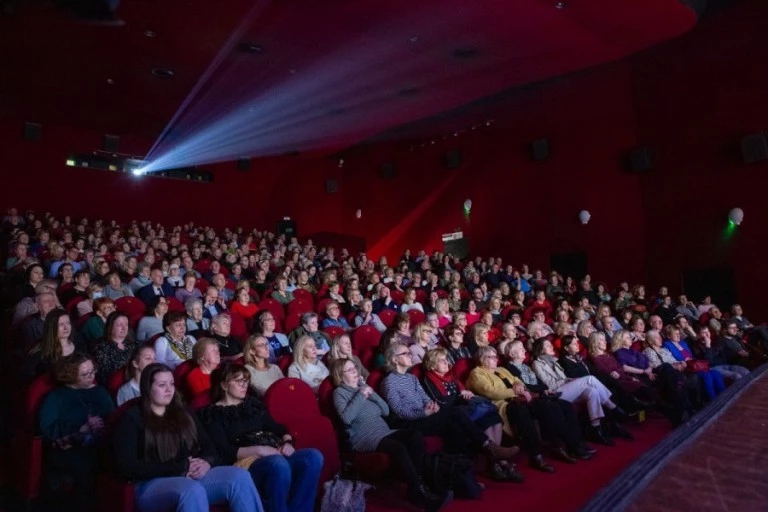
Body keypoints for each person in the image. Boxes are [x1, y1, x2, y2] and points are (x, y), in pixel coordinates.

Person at [113, 363, 262, 512]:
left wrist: (206, 463)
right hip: (152, 483)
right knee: (191, 490)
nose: (169, 389)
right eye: (162, 385)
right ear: (147, 388)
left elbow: (207, 445)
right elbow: (127, 466)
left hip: (190, 476)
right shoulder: (132, 419)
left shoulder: (183, 411)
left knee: (240, 477)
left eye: (171, 384)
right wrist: (180, 468)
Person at [330, 359, 453, 512]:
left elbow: (385, 410)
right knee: (398, 448)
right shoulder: (339, 393)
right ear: (340, 375)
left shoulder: (364, 388)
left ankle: (417, 487)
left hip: (383, 431)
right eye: (350, 370)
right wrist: (361, 395)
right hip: (363, 437)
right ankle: (421, 494)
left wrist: (370, 391)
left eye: (354, 368)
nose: (355, 371)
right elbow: (346, 418)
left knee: (414, 436)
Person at [198, 364, 322, 512]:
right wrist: (260, 450)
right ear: (224, 385)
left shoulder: (252, 405)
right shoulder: (212, 414)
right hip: (246, 463)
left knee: (313, 456)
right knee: (278, 464)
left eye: (246, 381)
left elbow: (279, 429)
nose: (244, 385)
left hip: (274, 452)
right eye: (239, 381)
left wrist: (287, 442)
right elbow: (224, 452)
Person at [380, 343, 517, 462]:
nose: (410, 355)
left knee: (456, 427)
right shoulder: (389, 382)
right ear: (394, 359)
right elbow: (399, 411)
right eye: (406, 353)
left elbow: (425, 398)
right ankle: (488, 447)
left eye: (410, 353)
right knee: (456, 414)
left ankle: (469, 465)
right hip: (410, 423)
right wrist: (424, 412)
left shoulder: (411, 378)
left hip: (426, 416)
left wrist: (431, 406)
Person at [421, 348, 524, 482]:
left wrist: (466, 394)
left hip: (462, 409)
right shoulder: (428, 380)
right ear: (432, 364)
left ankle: (494, 461)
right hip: (450, 414)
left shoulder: (451, 376)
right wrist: (461, 395)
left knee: (492, 416)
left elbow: (461, 392)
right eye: (442, 360)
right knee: (486, 410)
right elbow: (441, 402)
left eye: (446, 359)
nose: (447, 362)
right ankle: (500, 461)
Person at [39, 353, 115, 511]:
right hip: (69, 446)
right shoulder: (57, 396)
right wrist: (80, 429)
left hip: (101, 441)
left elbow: (113, 417)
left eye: (93, 371)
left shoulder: (100, 391)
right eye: (85, 374)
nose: (91, 376)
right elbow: (47, 427)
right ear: (71, 375)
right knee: (85, 467)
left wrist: (102, 427)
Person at [501, 341, 596, 461]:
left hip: (541, 395)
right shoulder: (509, 368)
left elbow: (540, 383)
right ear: (511, 353)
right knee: (552, 408)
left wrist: (543, 389)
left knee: (566, 405)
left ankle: (578, 441)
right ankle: (569, 445)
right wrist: (541, 390)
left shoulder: (525, 366)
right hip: (529, 400)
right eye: (520, 349)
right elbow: (526, 386)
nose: (524, 350)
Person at [465, 346, 555, 472]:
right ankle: (536, 455)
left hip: (519, 399)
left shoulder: (501, 369)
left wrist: (519, 384)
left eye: (496, 356)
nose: (496, 359)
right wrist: (516, 392)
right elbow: (491, 392)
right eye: (492, 357)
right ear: (482, 359)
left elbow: (517, 380)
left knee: (545, 405)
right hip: (502, 404)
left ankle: (559, 444)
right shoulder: (477, 373)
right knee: (521, 411)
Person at [531, 338, 630, 443]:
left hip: (565, 388)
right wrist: (567, 380)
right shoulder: (537, 364)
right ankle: (614, 407)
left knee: (592, 391)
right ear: (541, 350)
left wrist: (568, 380)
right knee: (590, 379)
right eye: (548, 345)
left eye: (551, 344)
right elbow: (548, 385)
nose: (552, 347)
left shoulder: (554, 361)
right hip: (555, 393)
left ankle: (596, 429)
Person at [663, 325, 725, 401]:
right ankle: (713, 401)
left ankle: (724, 397)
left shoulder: (683, 343)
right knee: (707, 376)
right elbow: (672, 360)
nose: (678, 335)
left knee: (716, 373)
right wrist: (685, 360)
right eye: (675, 334)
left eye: (678, 333)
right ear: (669, 336)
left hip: (693, 365)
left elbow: (691, 356)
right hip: (685, 368)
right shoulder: (667, 345)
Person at [94, 311, 138, 383]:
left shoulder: (136, 344)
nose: (124, 328)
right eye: (119, 325)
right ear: (110, 327)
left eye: (126, 324)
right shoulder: (100, 347)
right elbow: (104, 375)